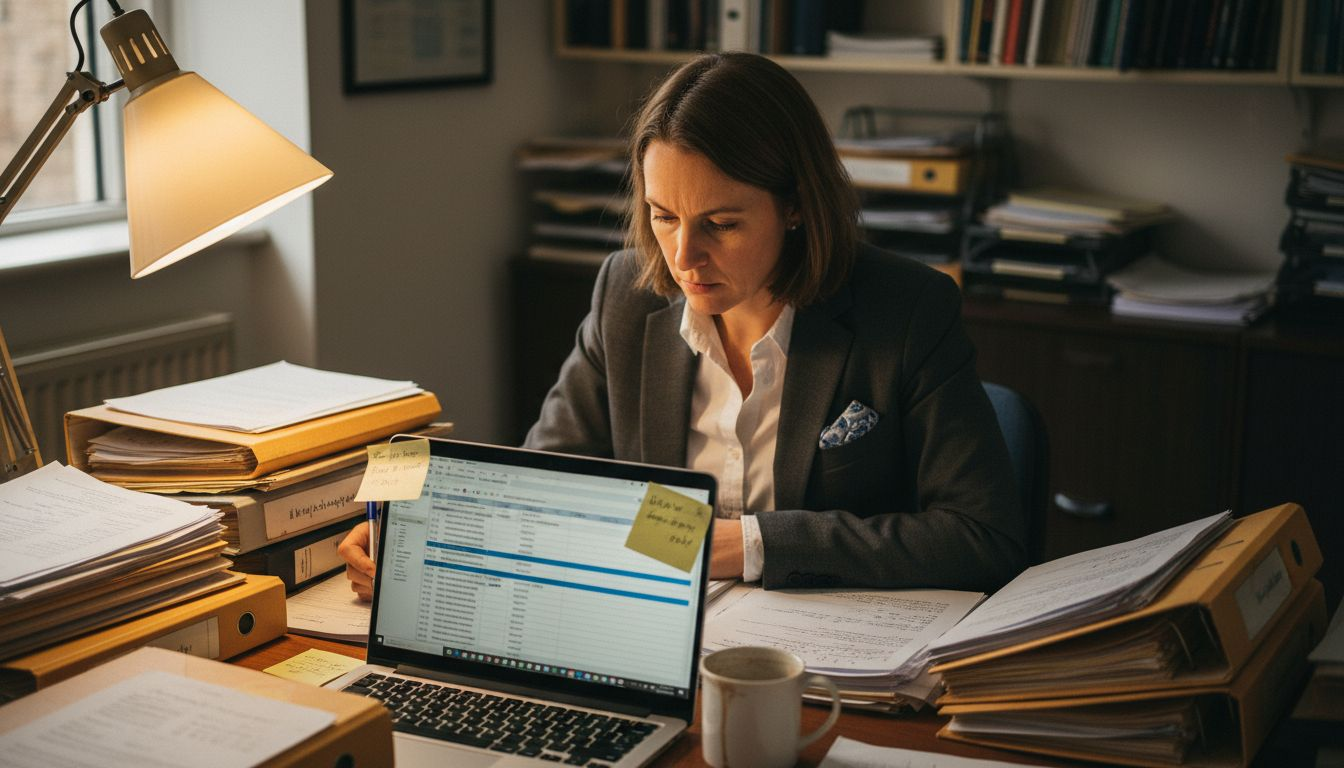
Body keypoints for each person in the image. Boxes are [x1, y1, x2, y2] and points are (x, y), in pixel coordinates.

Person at [340, 51, 1025, 602]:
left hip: (833, 652)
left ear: (795, 207)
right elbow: (550, 478)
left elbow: (981, 536)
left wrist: (748, 544)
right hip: (653, 624)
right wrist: (418, 538)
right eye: (664, 215)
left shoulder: (906, 311)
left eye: (721, 225)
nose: (683, 258)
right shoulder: (626, 296)